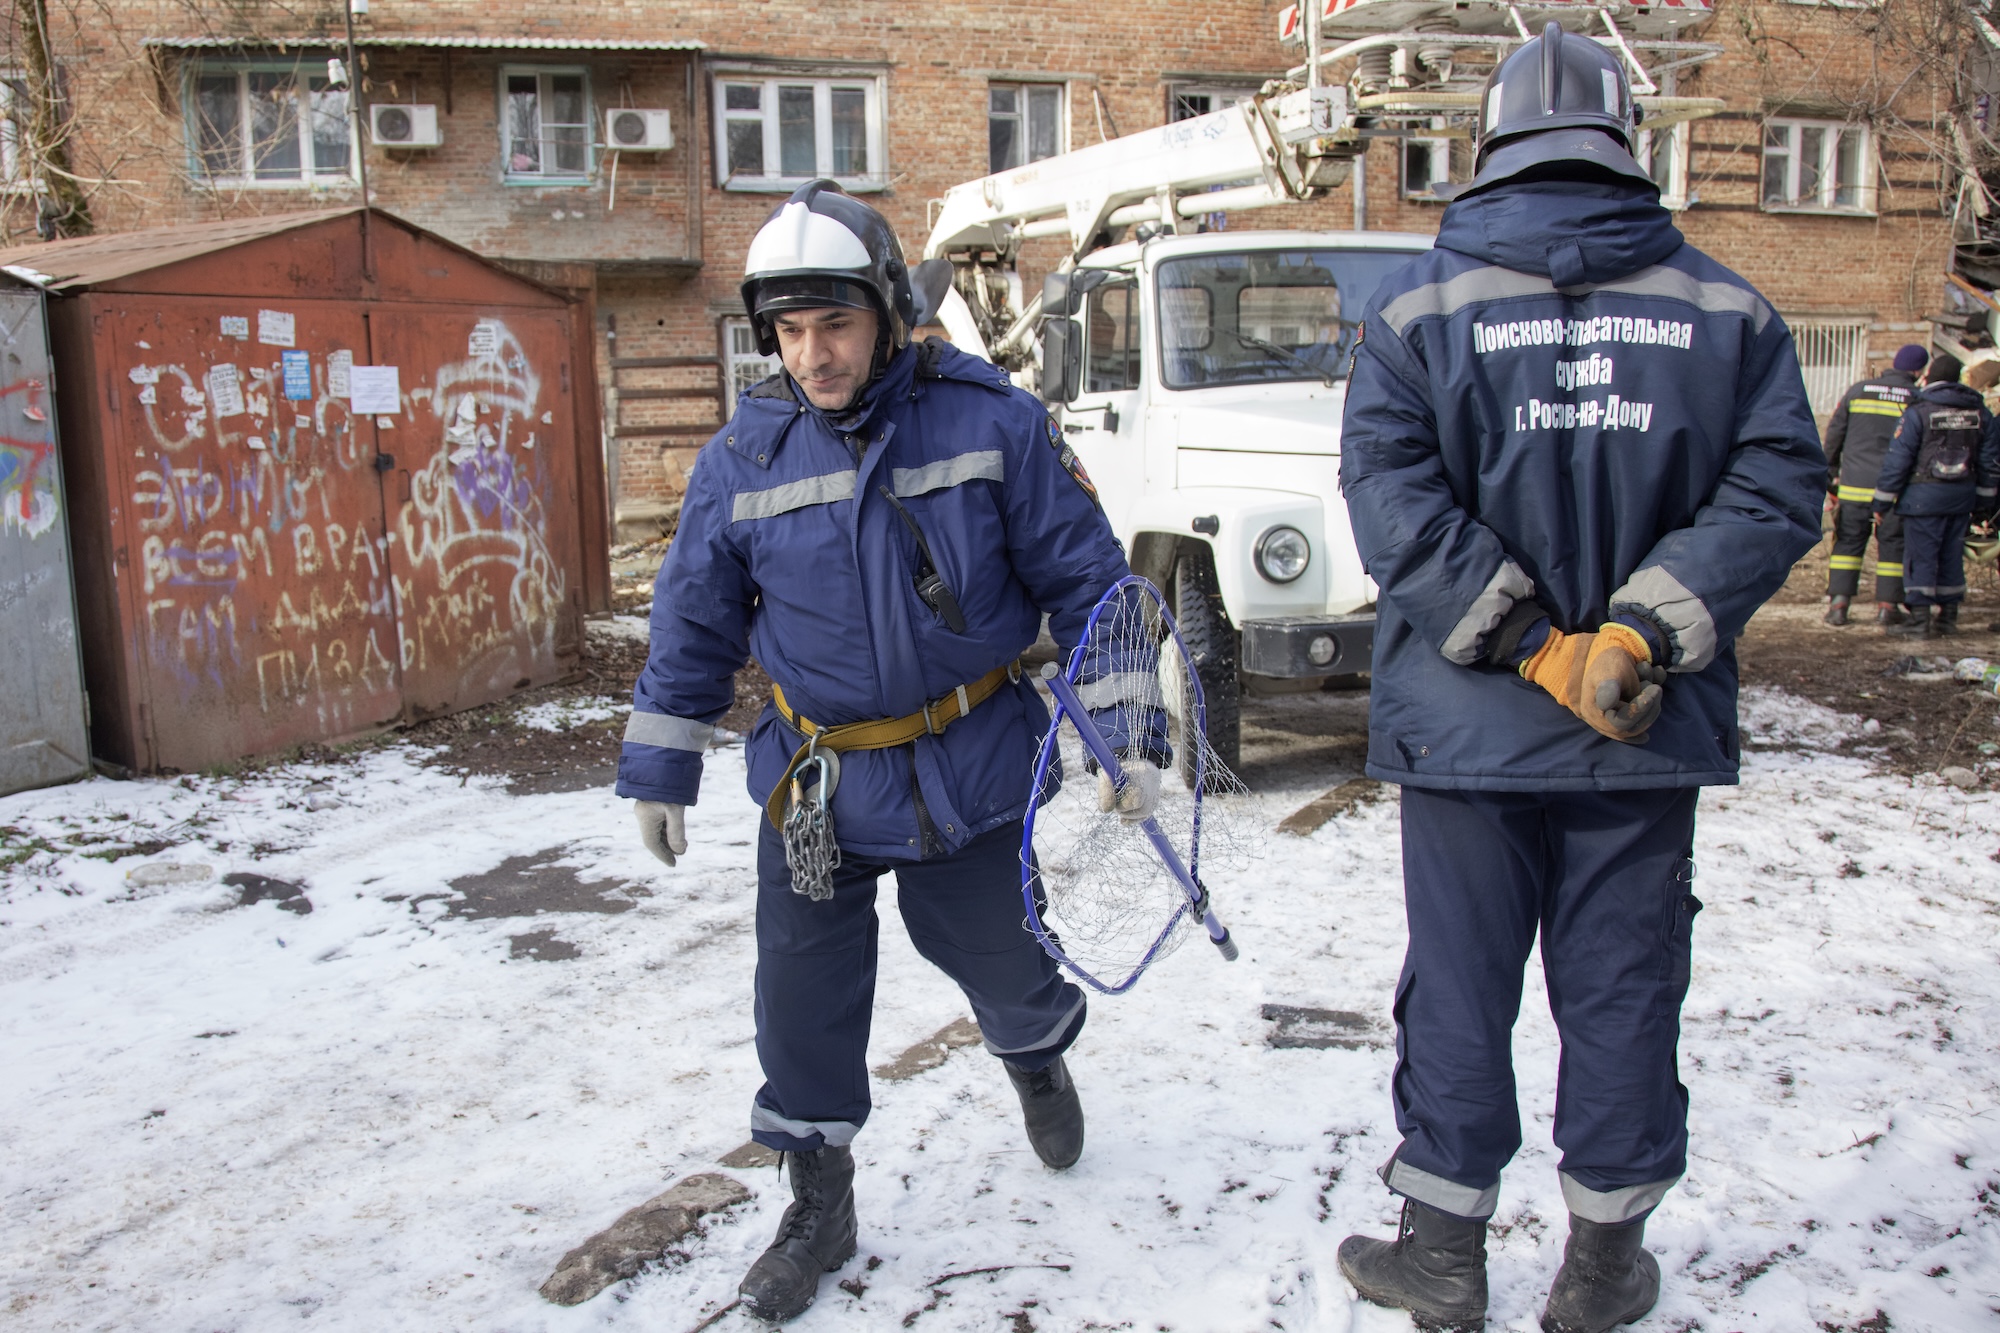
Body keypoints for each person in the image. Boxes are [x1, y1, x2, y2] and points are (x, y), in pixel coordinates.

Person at [1334, 24, 1824, 1333]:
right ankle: (1604, 1268)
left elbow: (1391, 500)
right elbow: (1777, 485)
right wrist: (1634, 637)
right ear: (1627, 142)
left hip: (1465, 738)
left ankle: (1442, 1255)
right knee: (1621, 985)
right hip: (1636, 731)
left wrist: (1529, 646)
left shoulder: (1414, 310)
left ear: (1491, 147)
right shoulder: (1729, 309)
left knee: (1460, 980)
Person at [613, 180, 1157, 1323]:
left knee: (1000, 962)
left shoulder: (989, 420)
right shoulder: (743, 459)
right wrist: (660, 763)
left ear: (888, 313)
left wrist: (1128, 733)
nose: (813, 354)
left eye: (836, 325)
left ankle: (1033, 1052)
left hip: (970, 763)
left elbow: (1087, 581)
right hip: (817, 783)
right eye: (791, 331)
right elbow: (693, 622)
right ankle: (818, 1196)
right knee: (800, 998)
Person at [1872, 352, 2000, 637]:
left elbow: (1898, 460)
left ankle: (1920, 623)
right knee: (1951, 555)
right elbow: (1990, 460)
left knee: (1922, 557)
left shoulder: (1919, 411)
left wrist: (1881, 501)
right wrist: (1983, 502)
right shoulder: (1979, 412)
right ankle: (1948, 619)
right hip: (1961, 498)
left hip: (1922, 499)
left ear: (1931, 376)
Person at [1822, 345, 1925, 626]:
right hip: (1895, 491)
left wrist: (1829, 474)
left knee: (1847, 544)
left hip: (1853, 485)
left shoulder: (1858, 390)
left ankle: (1839, 606)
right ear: (1918, 372)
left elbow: (1834, 435)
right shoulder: (1917, 398)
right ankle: (1887, 607)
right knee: (1893, 546)